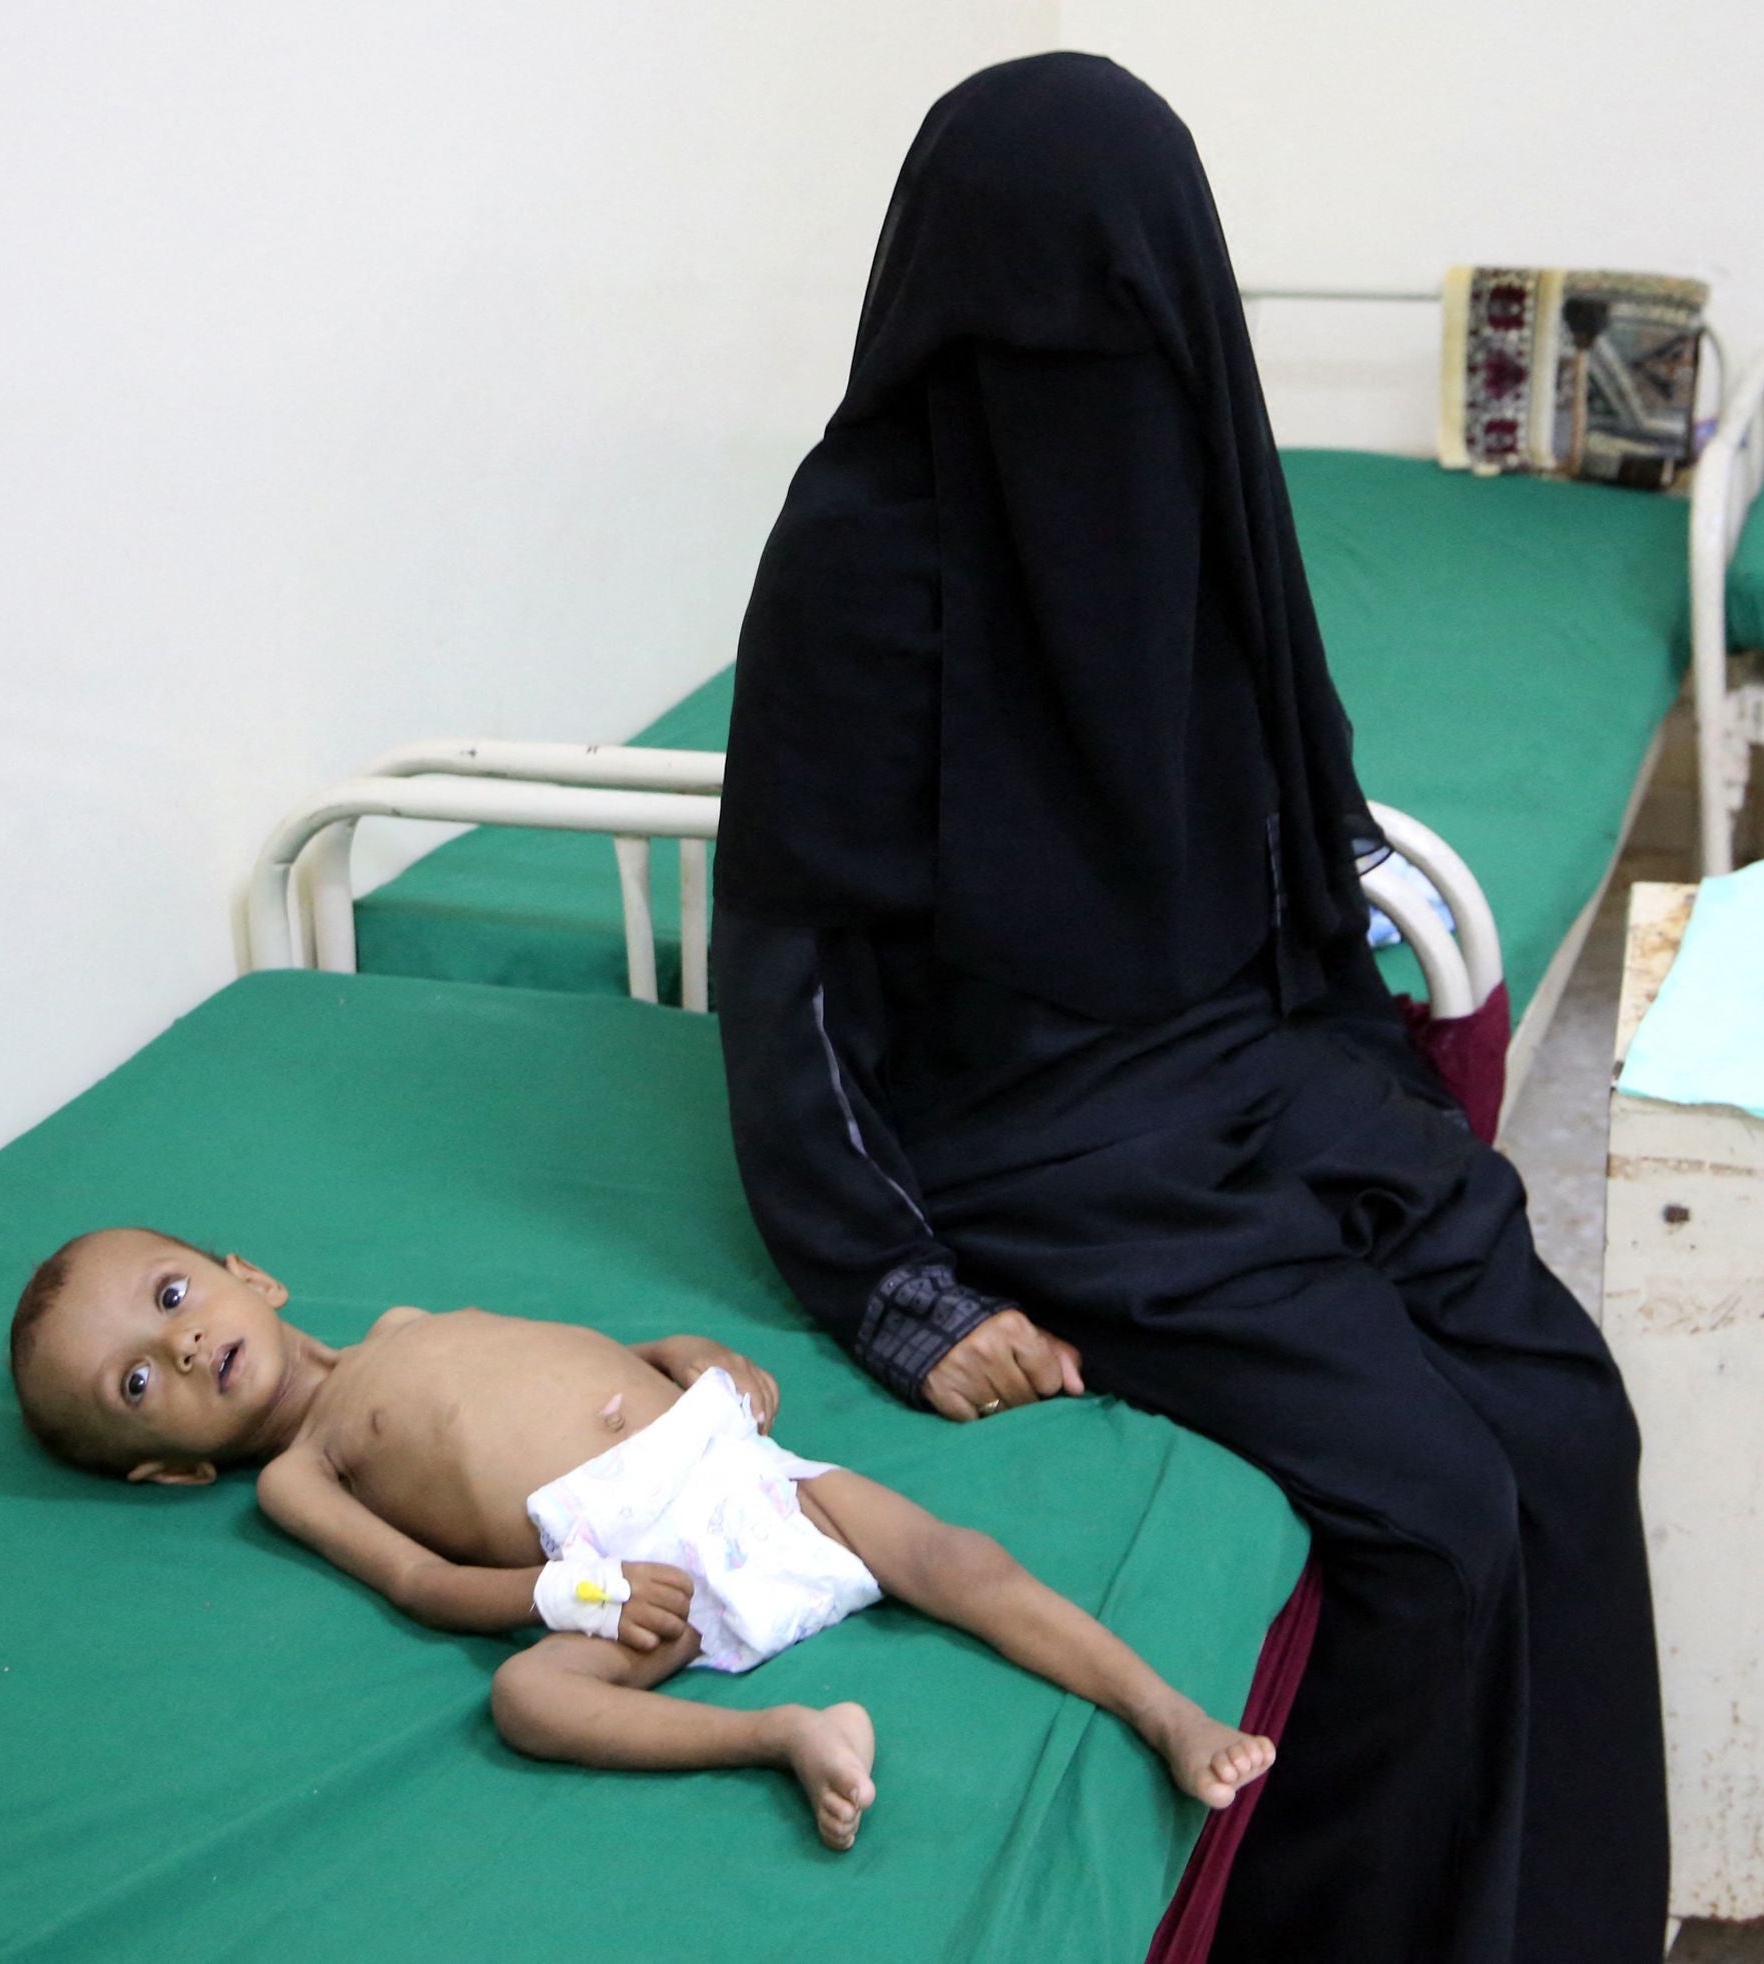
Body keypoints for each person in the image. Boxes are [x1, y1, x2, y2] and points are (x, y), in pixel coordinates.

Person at [712, 53, 1668, 1962]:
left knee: (1569, 1428)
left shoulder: (1195, 470)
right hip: (1027, 1139)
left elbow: (1274, 813)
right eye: (1035, 324)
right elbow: (779, 972)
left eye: (1123, 321)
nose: (1085, 370)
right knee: (1434, 1519)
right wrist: (907, 1291)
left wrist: (1351, 1061)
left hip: (1253, 1060)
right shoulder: (861, 548)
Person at [4, 1225, 1274, 1850]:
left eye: (171, 1295)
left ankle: (1167, 1713)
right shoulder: (298, 1471)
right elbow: (424, 1578)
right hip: (614, 1548)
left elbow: (566, 1347)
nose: (173, 1342)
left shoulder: (403, 1316)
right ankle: (783, 1734)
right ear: (167, 1467)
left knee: (954, 1556)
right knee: (527, 1698)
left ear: (249, 1275)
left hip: (718, 1449)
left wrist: (677, 1349)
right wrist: (570, 1593)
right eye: (132, 1383)